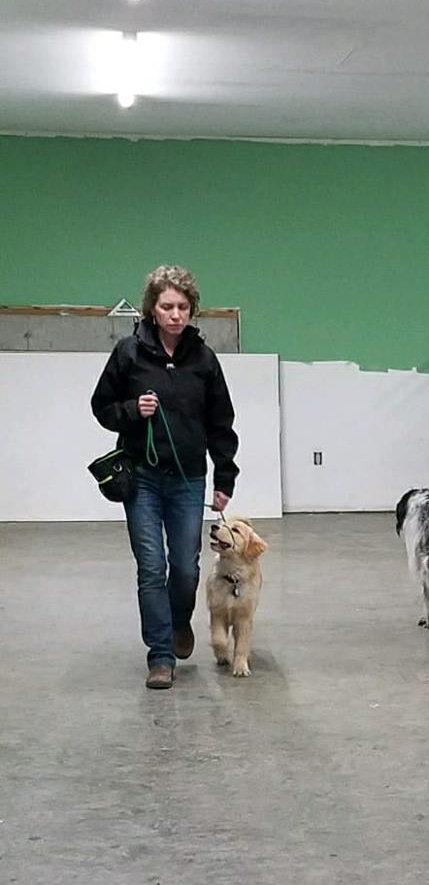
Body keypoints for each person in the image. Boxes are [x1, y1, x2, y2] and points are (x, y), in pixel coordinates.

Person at [91, 265, 239, 689]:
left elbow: (221, 422)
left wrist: (224, 477)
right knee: (151, 567)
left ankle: (179, 621)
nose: (175, 314)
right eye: (166, 306)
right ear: (152, 310)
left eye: (182, 307)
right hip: (142, 479)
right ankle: (160, 656)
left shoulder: (204, 359)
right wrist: (131, 411)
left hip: (189, 479)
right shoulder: (128, 353)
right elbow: (101, 407)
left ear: (192, 310)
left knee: (186, 567)